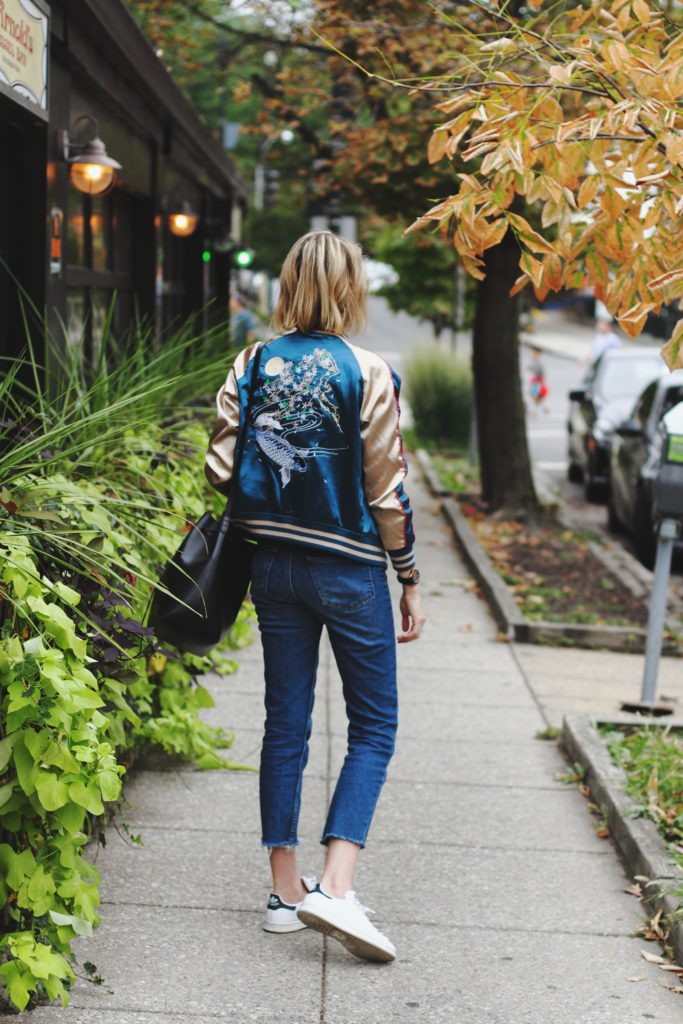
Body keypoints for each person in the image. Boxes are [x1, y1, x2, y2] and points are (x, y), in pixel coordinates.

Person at [205, 230, 425, 964]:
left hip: (273, 570)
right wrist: (409, 576)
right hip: (350, 570)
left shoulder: (252, 362)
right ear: (350, 285)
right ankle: (334, 885)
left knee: (285, 724)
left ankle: (283, 894)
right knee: (372, 727)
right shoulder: (367, 371)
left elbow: (218, 467)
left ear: (289, 282)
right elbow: (384, 488)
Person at [527, 346, 549, 413]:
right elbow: (530, 368)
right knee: (537, 396)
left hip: (537, 381)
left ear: (537, 353)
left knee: (535, 395)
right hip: (535, 380)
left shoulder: (539, 362)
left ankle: (537, 410)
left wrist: (543, 382)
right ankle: (544, 407)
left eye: (533, 352)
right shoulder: (534, 361)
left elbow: (542, 373)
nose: (532, 353)